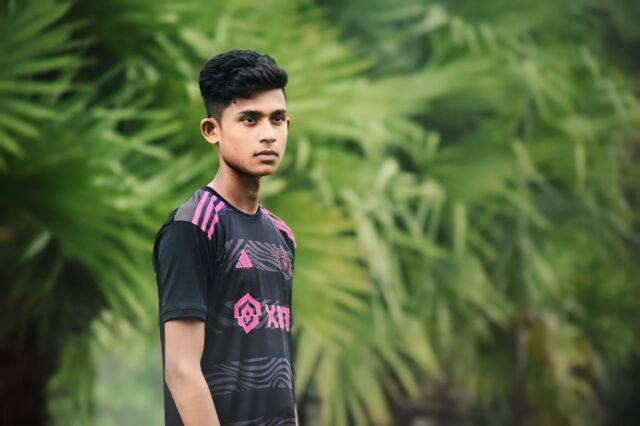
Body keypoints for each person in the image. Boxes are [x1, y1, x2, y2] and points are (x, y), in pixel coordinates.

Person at [152, 49, 298, 426]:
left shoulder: (282, 235)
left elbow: (283, 367)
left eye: (277, 119)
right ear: (211, 130)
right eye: (249, 119)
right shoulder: (193, 227)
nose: (268, 134)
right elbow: (181, 370)